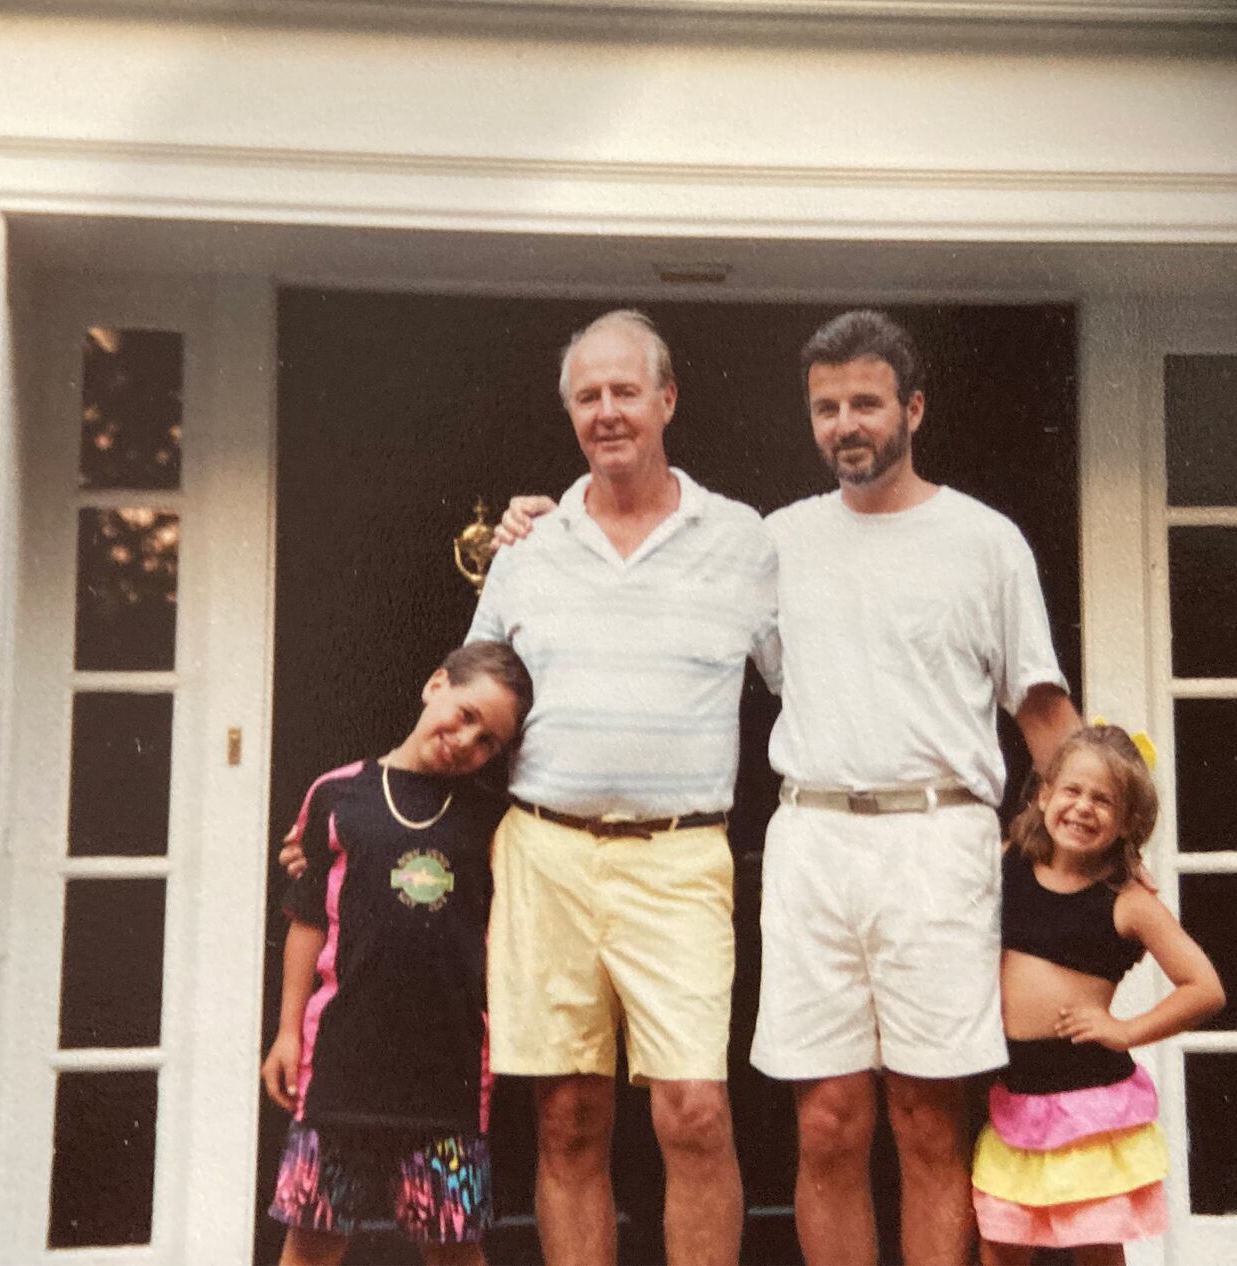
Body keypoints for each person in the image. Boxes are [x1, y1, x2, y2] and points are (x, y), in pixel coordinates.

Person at [499, 309, 1081, 1264]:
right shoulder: (773, 543)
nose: (846, 424)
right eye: (826, 408)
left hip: (938, 843)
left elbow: (1045, 715)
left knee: (930, 1124)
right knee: (828, 1126)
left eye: (866, 403)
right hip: (814, 842)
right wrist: (539, 515)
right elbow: (656, 615)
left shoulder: (985, 541)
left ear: (914, 409)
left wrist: (1111, 856)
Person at [470, 309, 778, 1266]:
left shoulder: (742, 540)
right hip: (545, 853)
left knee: (695, 1113)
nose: (607, 413)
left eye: (625, 391)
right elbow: (472, 700)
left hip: (680, 857)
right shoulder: (530, 544)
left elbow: (806, 686)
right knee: (567, 1118)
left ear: (668, 399)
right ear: (570, 413)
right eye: (587, 396)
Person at [261, 641, 533, 1266]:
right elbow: (305, 920)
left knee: (454, 1245)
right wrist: (285, 1034)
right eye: (464, 714)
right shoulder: (337, 794)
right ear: (435, 684)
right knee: (312, 1238)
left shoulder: (494, 819)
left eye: (488, 740)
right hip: (340, 1064)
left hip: (451, 1073)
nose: (467, 740)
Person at [974, 724, 1224, 1266]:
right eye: (1072, 790)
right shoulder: (1009, 861)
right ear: (1044, 794)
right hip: (1014, 1096)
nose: (1083, 808)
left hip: (1088, 1104)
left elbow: (1205, 987)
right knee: (1001, 1239)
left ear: (1129, 822)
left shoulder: (1129, 901)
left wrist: (1126, 1030)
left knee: (1094, 1243)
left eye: (1103, 800)